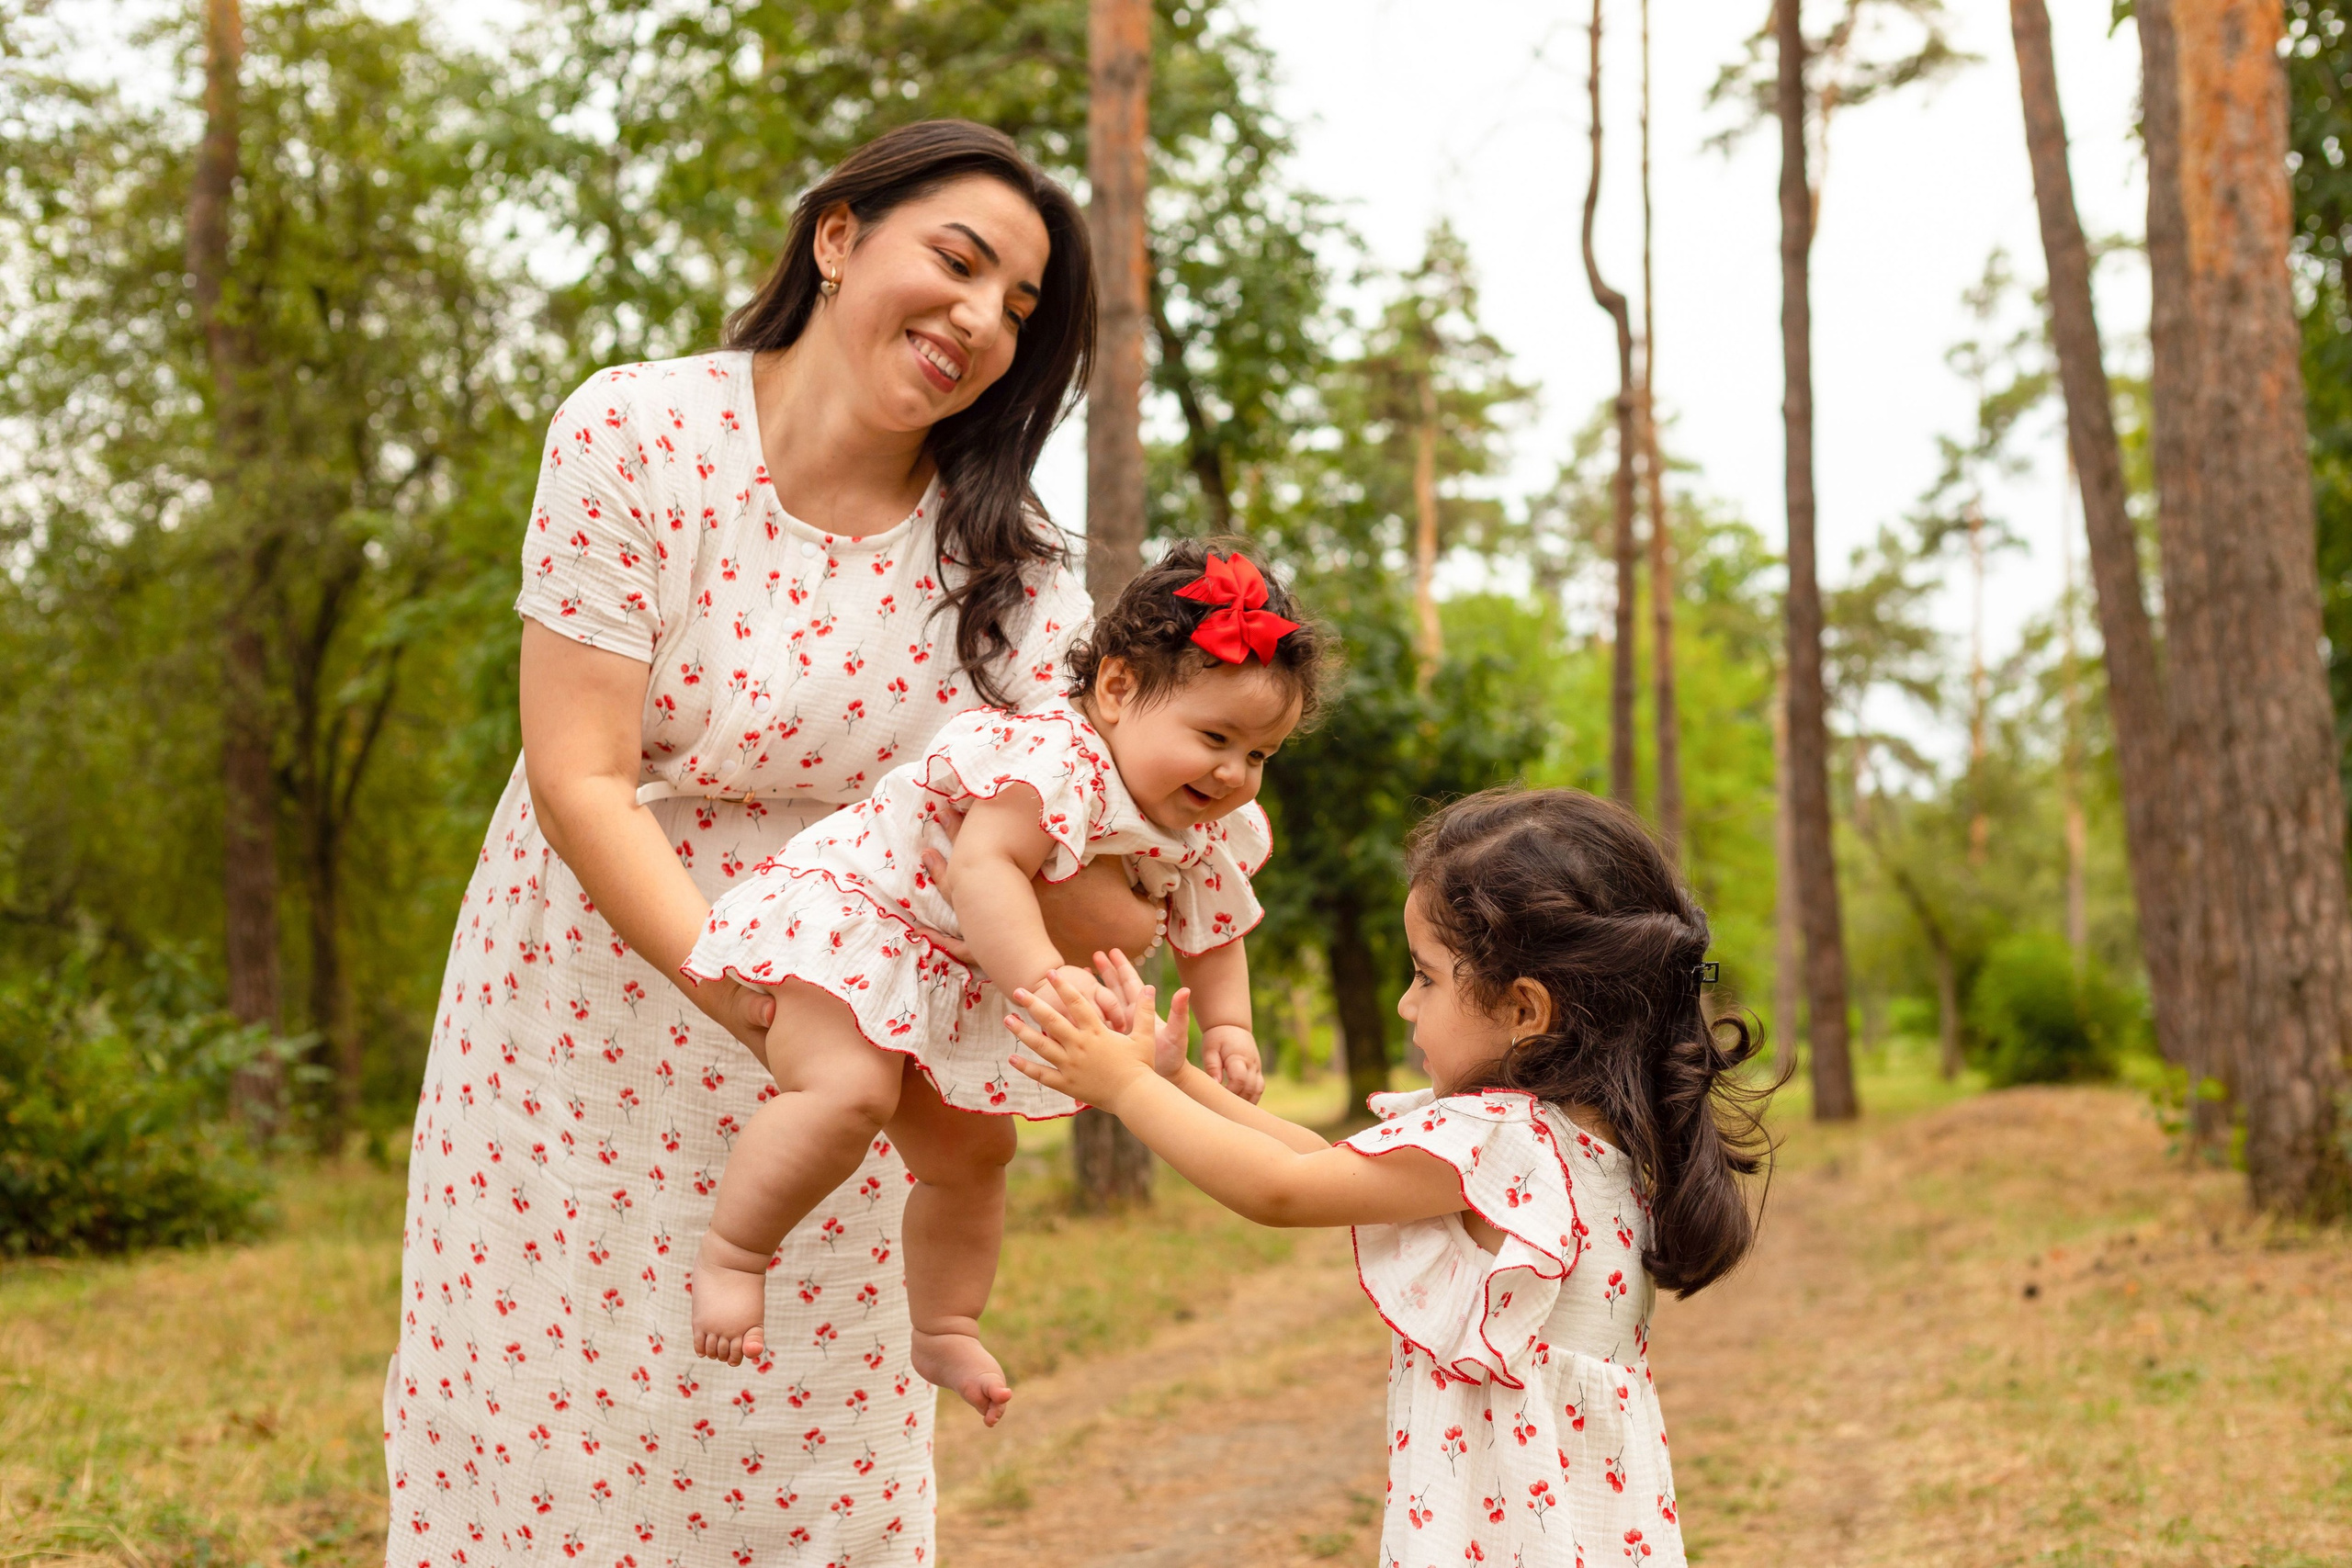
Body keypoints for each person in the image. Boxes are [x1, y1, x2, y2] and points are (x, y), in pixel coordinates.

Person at [385, 120, 1159, 1568]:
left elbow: (1039, 838)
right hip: (582, 1020)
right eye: (960, 260)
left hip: (845, 1058)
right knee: (558, 1439)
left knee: (796, 1462)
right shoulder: (634, 433)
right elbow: (581, 776)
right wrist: (760, 1003)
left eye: (1021, 308)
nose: (982, 320)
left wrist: (1124, 945)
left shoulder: (1023, 576)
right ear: (838, 236)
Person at [1005, 787, 1780, 1568]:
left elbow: (1281, 1188)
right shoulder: (1599, 1134)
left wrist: (1123, 1087)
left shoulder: (1501, 1138)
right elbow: (1316, 1163)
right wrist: (1175, 1077)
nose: (1407, 1004)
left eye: (1427, 977)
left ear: (1525, 1010)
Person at [679, 542, 1327, 1417]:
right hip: (864, 925)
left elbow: (1212, 933)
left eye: (1261, 755)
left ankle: (945, 1323)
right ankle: (734, 1254)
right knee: (847, 1093)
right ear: (1118, 690)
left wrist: (1231, 1029)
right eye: (1215, 738)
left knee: (978, 1155)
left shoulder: (1202, 823)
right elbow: (980, 871)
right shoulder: (1056, 759)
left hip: (948, 971)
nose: (1232, 775)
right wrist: (1045, 978)